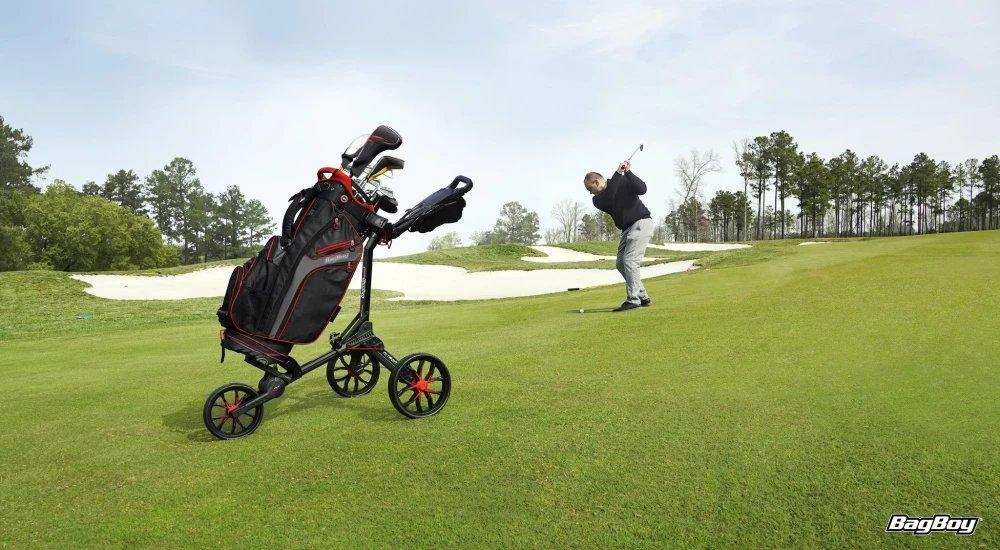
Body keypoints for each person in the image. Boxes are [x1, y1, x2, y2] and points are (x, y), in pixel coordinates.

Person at [584, 160, 653, 311]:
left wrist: (627, 172)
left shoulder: (622, 180)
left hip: (641, 222)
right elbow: (610, 196)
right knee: (620, 263)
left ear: (596, 182)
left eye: (590, 188)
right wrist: (618, 173)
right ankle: (642, 296)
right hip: (627, 229)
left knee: (630, 260)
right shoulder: (597, 200)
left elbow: (642, 189)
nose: (590, 192)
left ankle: (633, 299)